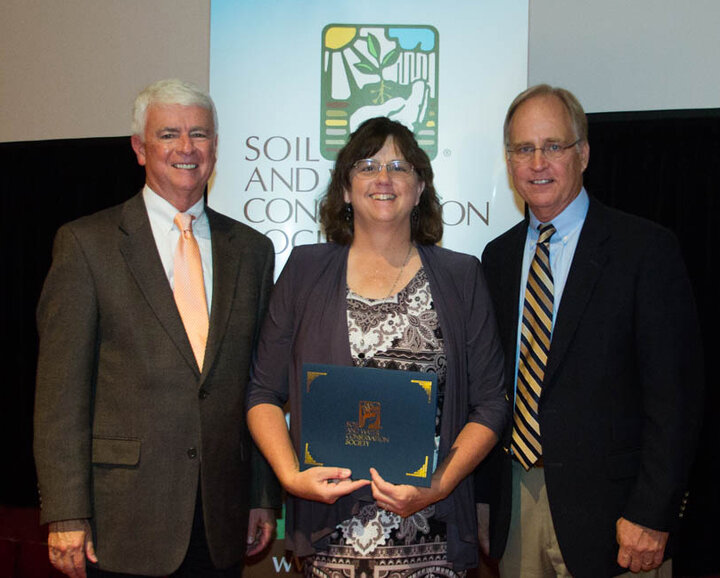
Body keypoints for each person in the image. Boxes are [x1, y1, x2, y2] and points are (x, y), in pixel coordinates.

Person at [34, 78, 280, 577]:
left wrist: (261, 495)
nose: (186, 148)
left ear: (216, 147)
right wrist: (65, 511)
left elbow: (258, 386)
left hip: (221, 518)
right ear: (139, 149)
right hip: (121, 521)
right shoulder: (87, 245)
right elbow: (60, 395)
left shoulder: (253, 251)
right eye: (169, 134)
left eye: (200, 134)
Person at [247, 116, 508, 575]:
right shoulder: (305, 270)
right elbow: (262, 393)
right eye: (367, 166)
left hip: (432, 537)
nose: (384, 178)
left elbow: (489, 404)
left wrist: (438, 486)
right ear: (345, 189)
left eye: (400, 167)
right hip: (333, 539)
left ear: (420, 186)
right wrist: (290, 476)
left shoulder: (460, 276)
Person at [477, 84, 704, 577]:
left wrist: (652, 510)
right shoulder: (496, 259)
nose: (538, 162)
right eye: (523, 148)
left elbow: (676, 398)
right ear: (510, 161)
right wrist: (482, 502)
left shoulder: (644, 251)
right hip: (515, 505)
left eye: (553, 146)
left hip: (619, 519)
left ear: (583, 153)